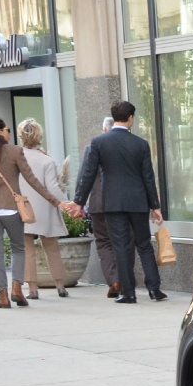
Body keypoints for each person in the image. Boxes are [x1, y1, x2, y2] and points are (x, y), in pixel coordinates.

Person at [72, 100, 164, 303]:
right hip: (138, 202)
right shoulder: (141, 144)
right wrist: (155, 206)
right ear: (130, 118)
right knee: (144, 245)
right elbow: (148, 177)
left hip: (112, 202)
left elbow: (88, 175)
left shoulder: (99, 142)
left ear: (114, 118)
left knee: (120, 246)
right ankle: (154, 289)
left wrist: (79, 202)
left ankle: (128, 293)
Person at [0, 117, 46, 309]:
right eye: (7, 129)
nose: (9, 133)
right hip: (11, 209)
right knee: (18, 248)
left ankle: (3, 296)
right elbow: (32, 180)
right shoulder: (14, 151)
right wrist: (54, 200)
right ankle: (17, 289)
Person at [15, 119, 76, 299]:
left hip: (23, 207)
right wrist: (67, 204)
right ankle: (60, 286)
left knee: (28, 249)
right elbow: (54, 188)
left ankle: (33, 289)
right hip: (45, 207)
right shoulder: (46, 160)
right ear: (39, 136)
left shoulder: (16, 158)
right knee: (52, 247)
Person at [83, 115, 120, 296]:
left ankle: (114, 281)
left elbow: (85, 177)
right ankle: (124, 279)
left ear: (104, 129)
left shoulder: (91, 148)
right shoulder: (124, 146)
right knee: (120, 241)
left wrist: (79, 204)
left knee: (104, 243)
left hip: (98, 203)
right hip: (119, 203)